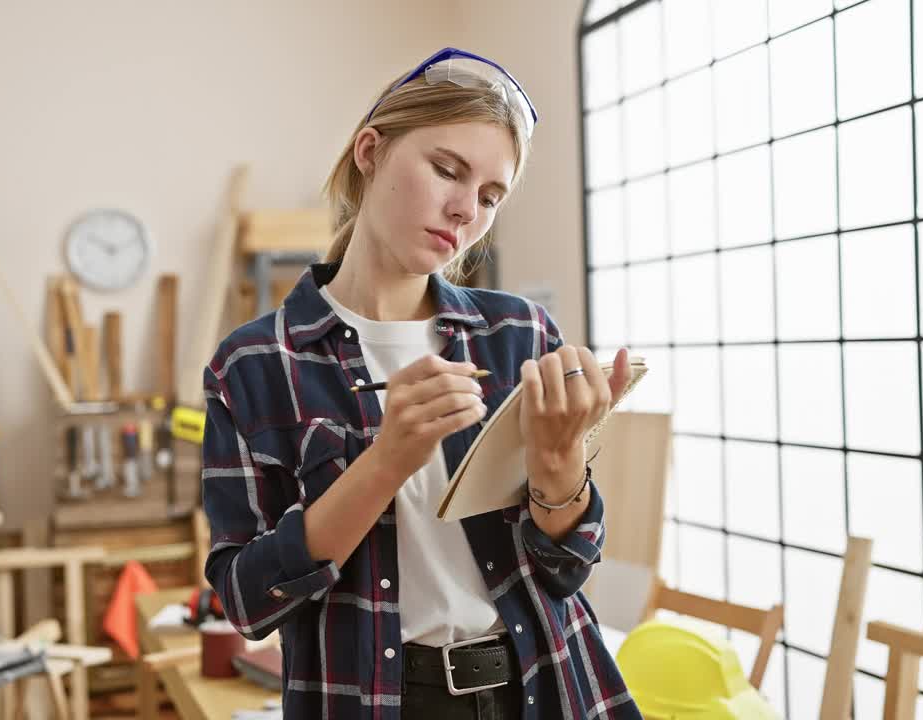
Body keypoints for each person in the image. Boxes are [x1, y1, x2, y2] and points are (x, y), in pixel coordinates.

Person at [201, 47, 641, 719]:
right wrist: (383, 464)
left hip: (543, 686)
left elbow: (569, 568)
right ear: (369, 150)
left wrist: (560, 472)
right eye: (446, 170)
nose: (467, 210)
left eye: (490, 196)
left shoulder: (519, 334)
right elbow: (246, 602)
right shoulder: (256, 363)